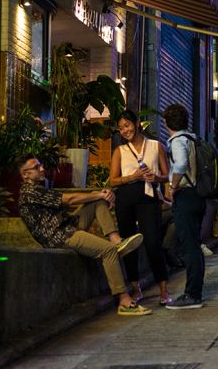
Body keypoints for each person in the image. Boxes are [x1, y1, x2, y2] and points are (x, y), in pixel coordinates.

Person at [16, 156, 150, 316]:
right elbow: (70, 199)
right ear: (25, 174)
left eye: (40, 165)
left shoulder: (38, 188)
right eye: (36, 167)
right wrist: (99, 193)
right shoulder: (30, 192)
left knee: (97, 203)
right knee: (108, 250)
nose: (42, 169)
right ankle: (124, 301)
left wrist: (100, 196)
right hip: (60, 236)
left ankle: (116, 240)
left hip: (67, 226)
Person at [109, 110, 173, 305]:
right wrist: (132, 177)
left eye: (127, 125)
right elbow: (113, 180)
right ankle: (136, 289)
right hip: (125, 198)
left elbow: (168, 175)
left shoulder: (156, 146)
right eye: (121, 128)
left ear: (137, 123)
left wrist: (156, 178)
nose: (125, 130)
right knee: (129, 245)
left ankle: (163, 290)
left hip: (149, 198)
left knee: (153, 242)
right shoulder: (120, 151)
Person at [162, 103, 206, 310]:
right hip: (198, 196)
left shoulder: (178, 141)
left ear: (167, 123)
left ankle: (192, 294)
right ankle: (195, 290)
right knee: (194, 246)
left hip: (186, 197)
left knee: (189, 247)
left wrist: (172, 186)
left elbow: (179, 165)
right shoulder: (192, 138)